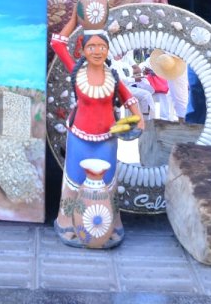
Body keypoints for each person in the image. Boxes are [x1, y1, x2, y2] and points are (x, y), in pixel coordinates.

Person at [50, 26, 144, 245]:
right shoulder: (77, 72)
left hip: (106, 139)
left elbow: (129, 99)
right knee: (74, 182)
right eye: (91, 46)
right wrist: (74, 19)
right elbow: (57, 43)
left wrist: (139, 118)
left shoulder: (113, 77)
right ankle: (67, 223)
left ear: (108, 50)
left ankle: (112, 226)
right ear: (83, 50)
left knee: (108, 184)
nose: (97, 51)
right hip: (79, 137)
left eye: (102, 46)